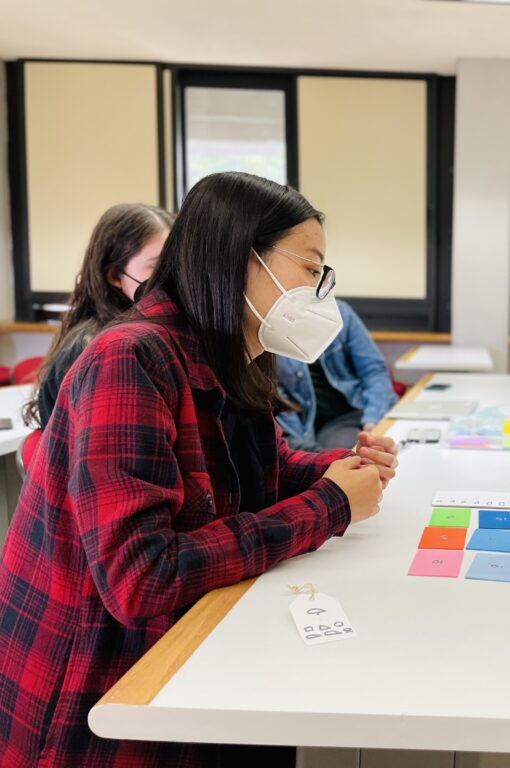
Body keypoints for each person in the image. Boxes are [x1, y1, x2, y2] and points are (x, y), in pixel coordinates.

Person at [0, 172, 399, 768]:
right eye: (310, 269)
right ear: (239, 259)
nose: (319, 293)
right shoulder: (129, 358)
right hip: (97, 686)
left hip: (183, 648)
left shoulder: (228, 351)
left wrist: (337, 469)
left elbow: (258, 468)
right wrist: (331, 504)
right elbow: (142, 577)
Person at [24, 203, 174, 429]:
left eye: (175, 263)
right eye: (156, 266)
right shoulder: (102, 350)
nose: (171, 276)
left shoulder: (157, 330)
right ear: (115, 275)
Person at [276, 300, 399, 451]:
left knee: (360, 452)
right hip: (304, 427)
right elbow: (277, 400)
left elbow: (374, 370)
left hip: (352, 414)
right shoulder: (272, 327)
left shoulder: (340, 313)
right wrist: (303, 445)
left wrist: (372, 419)